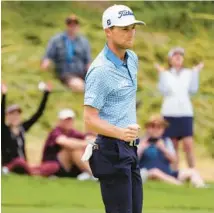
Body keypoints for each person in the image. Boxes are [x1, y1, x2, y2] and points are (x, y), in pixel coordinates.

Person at [84, 5, 145, 213]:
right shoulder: (100, 70)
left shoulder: (132, 59)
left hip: (130, 149)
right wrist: (120, 133)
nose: (131, 33)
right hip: (111, 151)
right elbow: (89, 120)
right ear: (108, 31)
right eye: (124, 29)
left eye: (133, 27)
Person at [155, 47, 204, 169]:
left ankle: (193, 174)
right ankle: (175, 174)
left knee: (188, 145)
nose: (178, 57)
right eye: (175, 55)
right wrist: (161, 74)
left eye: (180, 55)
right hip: (169, 113)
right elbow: (164, 91)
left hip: (185, 113)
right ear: (170, 59)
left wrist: (196, 73)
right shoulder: (165, 74)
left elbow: (193, 90)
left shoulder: (189, 73)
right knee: (173, 145)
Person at [138, 114, 206, 188]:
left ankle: (200, 187)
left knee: (192, 171)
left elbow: (174, 160)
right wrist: (142, 147)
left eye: (159, 127)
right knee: (155, 172)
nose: (155, 129)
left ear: (163, 129)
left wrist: (163, 148)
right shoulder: (140, 141)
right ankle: (179, 185)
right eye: (152, 126)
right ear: (147, 127)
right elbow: (133, 160)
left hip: (167, 173)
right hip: (147, 172)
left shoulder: (166, 141)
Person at [1, 82, 51, 175]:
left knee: (51, 166)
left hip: (24, 164)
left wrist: (46, 94)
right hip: (10, 165)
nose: (15, 117)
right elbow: (1, 115)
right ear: (7, 116)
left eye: (17, 114)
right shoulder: (4, 130)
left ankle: (32, 171)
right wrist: (4, 95)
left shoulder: (22, 129)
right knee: (19, 162)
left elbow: (38, 114)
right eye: (12, 114)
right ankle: (32, 172)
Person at [37, 109, 94, 180]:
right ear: (59, 121)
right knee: (74, 150)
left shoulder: (74, 133)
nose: (68, 122)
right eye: (66, 120)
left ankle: (91, 173)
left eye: (70, 120)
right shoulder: (55, 132)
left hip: (67, 167)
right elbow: (64, 142)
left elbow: (87, 138)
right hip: (53, 165)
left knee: (81, 149)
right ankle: (93, 174)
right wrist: (88, 143)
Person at [41, 14, 91, 93]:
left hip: (82, 72)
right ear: (66, 25)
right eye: (70, 24)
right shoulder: (56, 40)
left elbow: (87, 62)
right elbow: (48, 57)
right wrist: (45, 65)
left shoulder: (84, 42)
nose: (72, 26)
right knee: (80, 86)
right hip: (66, 73)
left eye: (75, 24)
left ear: (78, 26)